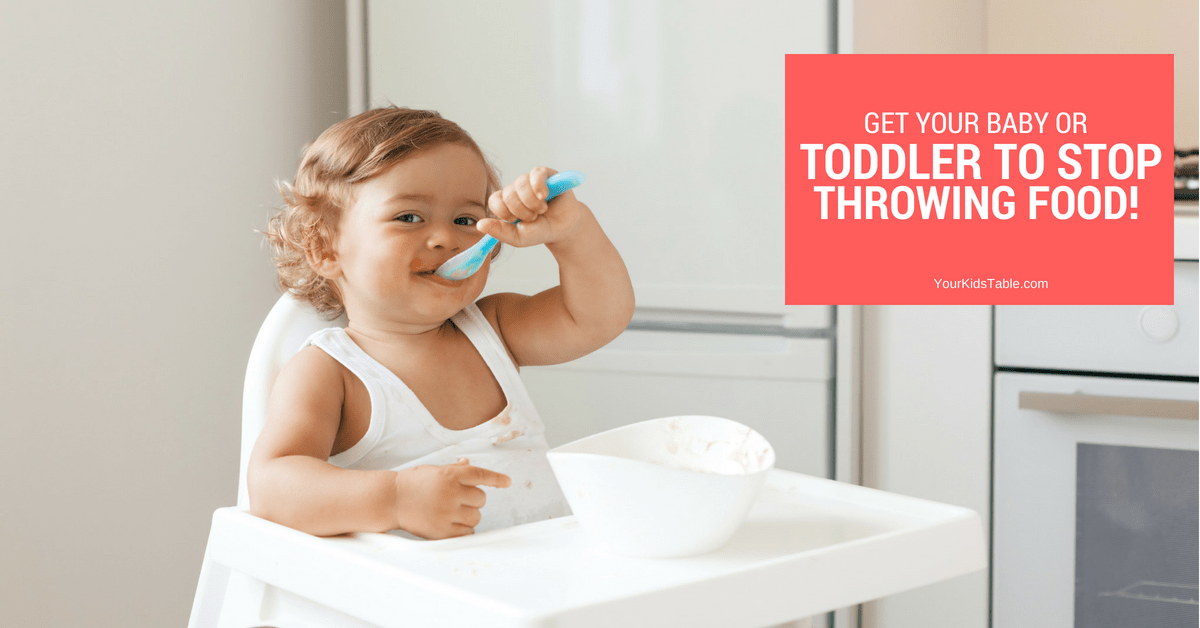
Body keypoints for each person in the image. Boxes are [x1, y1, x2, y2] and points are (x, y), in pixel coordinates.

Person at [247, 106, 635, 540]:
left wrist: (572, 231)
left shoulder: (494, 329)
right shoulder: (330, 370)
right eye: (409, 217)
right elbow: (271, 486)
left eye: (465, 220)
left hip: (538, 583)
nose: (446, 238)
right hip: (421, 600)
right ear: (326, 248)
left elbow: (600, 317)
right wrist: (395, 498)